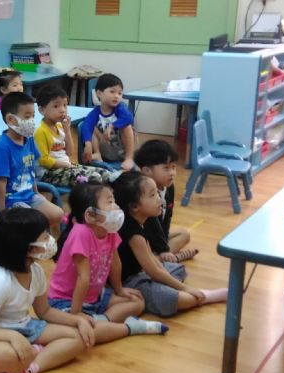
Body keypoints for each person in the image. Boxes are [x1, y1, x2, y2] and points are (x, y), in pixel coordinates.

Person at [0, 208, 94, 373]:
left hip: (24, 327)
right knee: (8, 357)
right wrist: (12, 337)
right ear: (25, 246)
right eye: (45, 237)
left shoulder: (36, 271)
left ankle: (30, 368)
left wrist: (77, 320)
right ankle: (36, 353)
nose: (50, 240)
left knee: (79, 338)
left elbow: (44, 311)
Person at [48, 183, 168, 343]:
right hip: (66, 300)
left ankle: (101, 321)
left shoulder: (109, 230)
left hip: (95, 297)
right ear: (91, 215)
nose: (116, 206)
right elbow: (83, 277)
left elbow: (115, 263)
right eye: (110, 202)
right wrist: (76, 314)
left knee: (137, 302)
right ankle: (128, 328)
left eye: (114, 201)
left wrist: (119, 290)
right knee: (79, 333)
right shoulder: (80, 233)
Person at [112, 171, 227, 317]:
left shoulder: (141, 221)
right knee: (182, 299)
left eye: (157, 193)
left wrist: (166, 277)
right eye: (152, 195)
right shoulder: (133, 233)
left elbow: (152, 260)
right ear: (135, 206)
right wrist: (185, 288)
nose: (159, 198)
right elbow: (153, 270)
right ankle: (206, 296)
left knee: (179, 269)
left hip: (142, 273)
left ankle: (163, 286)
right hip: (130, 282)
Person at [0, 92, 64, 229]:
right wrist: (1, 214)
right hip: (11, 200)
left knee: (57, 214)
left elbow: (30, 170)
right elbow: (1, 183)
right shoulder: (3, 147)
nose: (32, 121)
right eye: (27, 117)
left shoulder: (28, 139)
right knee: (34, 223)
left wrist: (36, 193)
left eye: (33, 116)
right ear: (11, 119)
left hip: (28, 195)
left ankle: (35, 237)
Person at [33, 84, 119, 187]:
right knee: (94, 178)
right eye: (56, 106)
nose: (62, 110)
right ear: (42, 110)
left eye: (65, 105)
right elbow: (43, 160)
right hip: (49, 173)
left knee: (105, 173)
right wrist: (65, 165)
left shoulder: (60, 126)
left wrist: (67, 131)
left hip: (66, 167)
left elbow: (69, 152)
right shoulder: (41, 132)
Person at [134, 140, 197, 261]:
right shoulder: (143, 191)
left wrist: (163, 247)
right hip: (142, 238)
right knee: (149, 248)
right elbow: (151, 225)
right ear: (147, 171)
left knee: (184, 234)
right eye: (166, 168)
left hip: (156, 236)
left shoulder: (169, 187)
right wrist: (163, 248)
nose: (172, 173)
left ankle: (158, 258)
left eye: (173, 167)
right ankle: (162, 259)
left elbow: (167, 217)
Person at [79, 73, 135, 171]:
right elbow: (86, 126)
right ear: (99, 93)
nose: (116, 96)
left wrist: (112, 126)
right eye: (112, 92)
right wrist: (88, 144)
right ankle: (97, 154)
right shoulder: (96, 112)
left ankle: (129, 158)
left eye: (120, 93)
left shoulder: (120, 108)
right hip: (106, 151)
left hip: (122, 151)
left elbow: (129, 118)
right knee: (90, 127)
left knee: (127, 126)